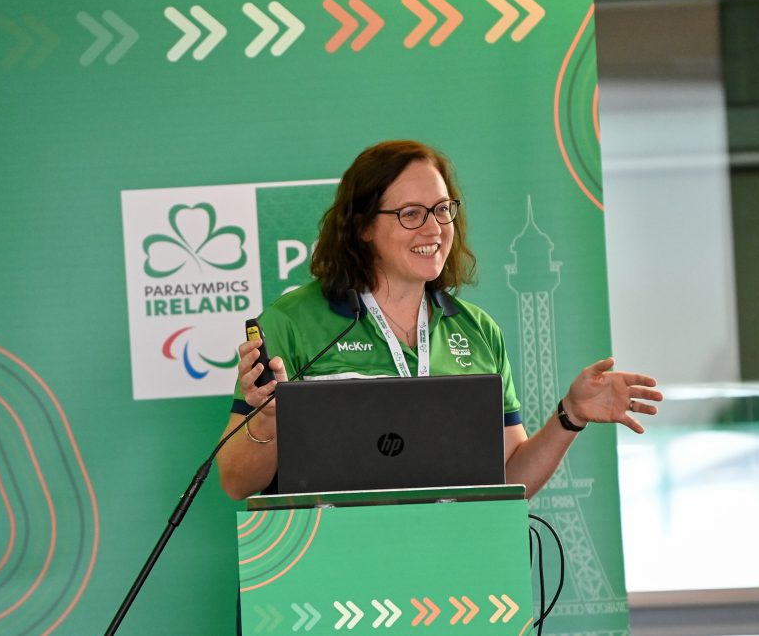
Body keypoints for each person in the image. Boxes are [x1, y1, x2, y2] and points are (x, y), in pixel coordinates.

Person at [216, 140, 662, 500]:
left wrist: (571, 415)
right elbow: (237, 483)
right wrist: (268, 420)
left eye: (443, 209)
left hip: (447, 579)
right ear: (362, 227)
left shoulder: (477, 330)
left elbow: (509, 480)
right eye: (410, 214)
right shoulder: (290, 323)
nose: (434, 229)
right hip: (323, 576)